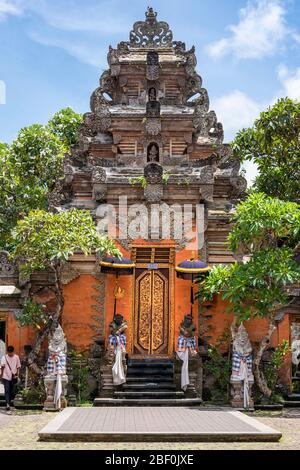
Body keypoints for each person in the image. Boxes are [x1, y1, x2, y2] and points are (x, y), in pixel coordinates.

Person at [0, 345, 21, 411]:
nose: (10, 354)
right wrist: (1, 376)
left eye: (11, 353)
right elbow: (2, 368)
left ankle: (9, 401)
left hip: (13, 376)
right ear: (7, 352)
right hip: (6, 376)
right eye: (9, 353)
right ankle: (7, 404)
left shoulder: (16, 357)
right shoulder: (4, 357)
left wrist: (17, 375)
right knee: (7, 390)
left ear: (13, 352)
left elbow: (18, 367)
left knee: (12, 390)